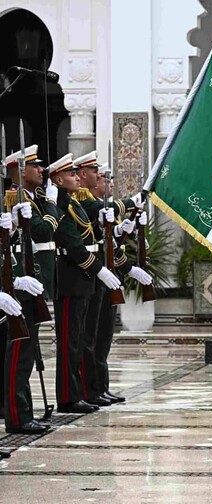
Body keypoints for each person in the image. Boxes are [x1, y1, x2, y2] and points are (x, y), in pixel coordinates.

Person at [49, 153, 122, 414]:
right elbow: (73, 245)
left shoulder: (72, 202)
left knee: (81, 338)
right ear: (58, 179)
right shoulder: (59, 204)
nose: (76, 178)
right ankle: (69, 397)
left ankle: (80, 392)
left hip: (82, 278)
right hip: (71, 278)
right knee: (71, 340)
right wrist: (99, 270)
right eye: (71, 175)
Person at [2, 145, 59, 434]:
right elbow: (42, 233)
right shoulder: (12, 198)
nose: (41, 171)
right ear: (18, 171)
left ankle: (22, 412)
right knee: (18, 354)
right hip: (17, 287)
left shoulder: (28, 200)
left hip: (28, 283)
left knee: (25, 354)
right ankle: (17, 414)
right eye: (34, 167)